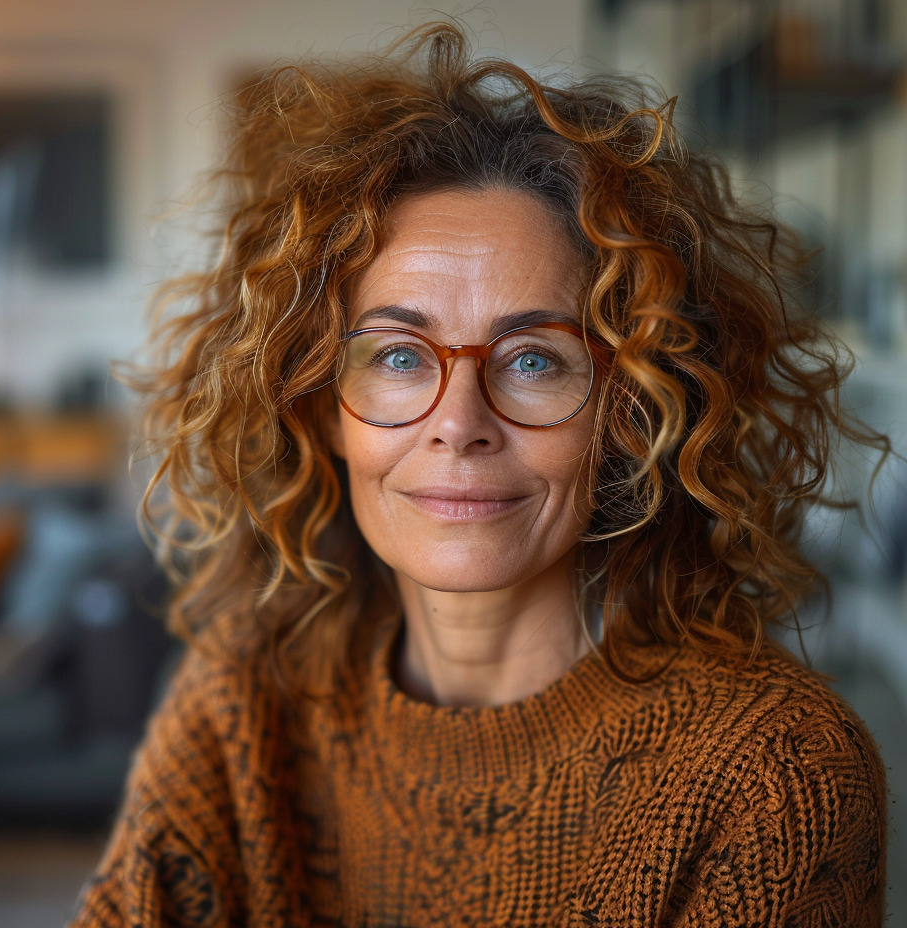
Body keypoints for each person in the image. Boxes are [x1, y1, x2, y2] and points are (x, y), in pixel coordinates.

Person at [73, 23, 888, 927]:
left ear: (634, 414)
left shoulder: (774, 771)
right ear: (317, 405)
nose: (458, 424)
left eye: (535, 360)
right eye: (397, 357)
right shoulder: (245, 694)